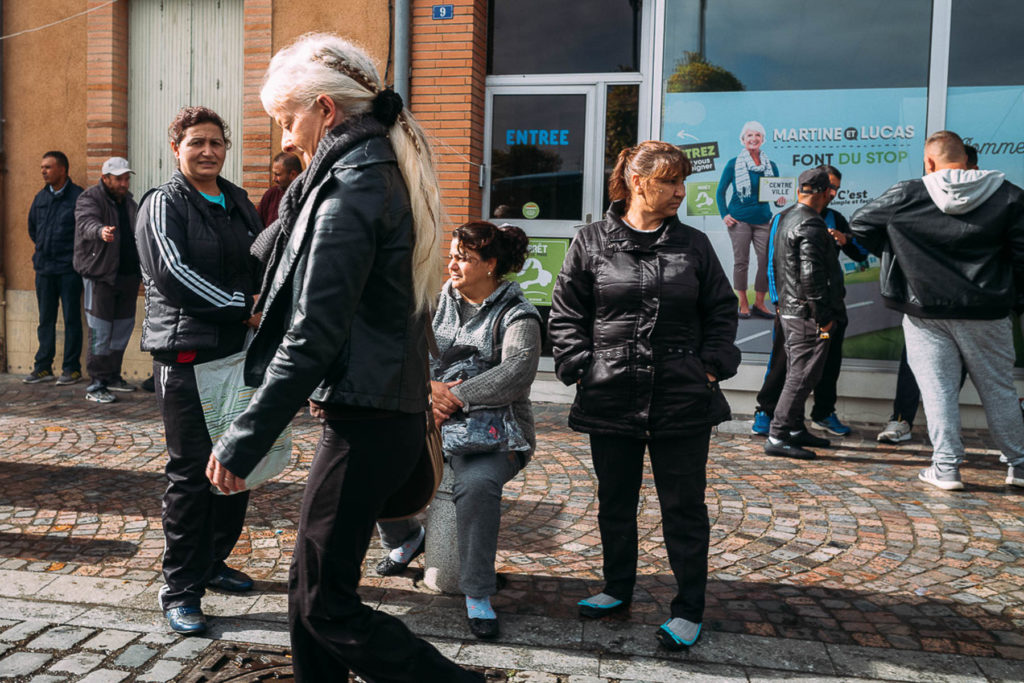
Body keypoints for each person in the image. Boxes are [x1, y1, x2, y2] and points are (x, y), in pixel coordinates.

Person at [204, 33, 483, 682]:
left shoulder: (356, 185)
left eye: (288, 121)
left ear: (326, 110)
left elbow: (313, 333)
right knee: (309, 590)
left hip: (365, 420)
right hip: (377, 411)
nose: (285, 139)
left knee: (324, 603)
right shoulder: (367, 172)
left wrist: (246, 436)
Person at [549, 140, 740, 650]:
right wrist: (583, 367)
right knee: (615, 501)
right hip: (610, 394)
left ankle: (688, 607)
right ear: (638, 182)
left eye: (683, 182)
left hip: (682, 398)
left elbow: (722, 311)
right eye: (669, 182)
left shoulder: (694, 245)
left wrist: (711, 367)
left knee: (684, 507)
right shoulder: (590, 241)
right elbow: (566, 313)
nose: (680, 192)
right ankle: (617, 587)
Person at [376, 221, 541, 641]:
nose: (452, 264)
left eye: (463, 258)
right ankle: (408, 537)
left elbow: (517, 374)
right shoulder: (433, 303)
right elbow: (398, 353)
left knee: (478, 485)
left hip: (497, 435)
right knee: (373, 462)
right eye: (451, 255)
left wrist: (458, 396)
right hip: (429, 419)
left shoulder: (518, 313)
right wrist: (429, 390)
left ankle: (478, 593)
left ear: (491, 265)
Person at [135, 106, 262, 635]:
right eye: (196, 143)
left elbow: (261, 261)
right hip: (187, 356)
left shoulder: (237, 201)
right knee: (190, 476)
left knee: (237, 469)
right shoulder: (162, 204)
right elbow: (172, 276)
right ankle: (180, 588)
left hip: (238, 355)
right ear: (176, 148)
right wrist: (243, 306)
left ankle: (212, 562)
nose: (207, 151)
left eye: (216, 142)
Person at [851, 130, 1024, 491]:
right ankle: (1020, 465)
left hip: (924, 311)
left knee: (938, 392)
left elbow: (860, 225)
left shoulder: (908, 194)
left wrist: (904, 250)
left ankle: (946, 469)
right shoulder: (1010, 195)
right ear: (966, 159)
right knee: (999, 390)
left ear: (929, 162)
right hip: (988, 311)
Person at [752, 165, 868, 437]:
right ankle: (767, 411)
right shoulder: (786, 217)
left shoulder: (835, 218)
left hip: (830, 306)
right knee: (784, 364)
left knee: (828, 364)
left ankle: (822, 414)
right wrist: (778, 300)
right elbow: (772, 262)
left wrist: (846, 239)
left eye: (837, 188)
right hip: (796, 309)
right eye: (830, 187)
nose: (832, 193)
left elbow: (860, 254)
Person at [875, 145, 980, 444]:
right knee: (912, 364)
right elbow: (868, 225)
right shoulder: (924, 198)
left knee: (960, 373)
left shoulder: (991, 201)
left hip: (968, 306)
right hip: (924, 303)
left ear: (972, 170)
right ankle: (901, 420)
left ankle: (944, 433)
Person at [763, 168, 841, 460]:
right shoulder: (811, 224)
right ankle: (779, 434)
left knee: (799, 371)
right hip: (807, 313)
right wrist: (823, 316)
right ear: (823, 193)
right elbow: (811, 274)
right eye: (830, 191)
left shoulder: (787, 218)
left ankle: (794, 429)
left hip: (791, 309)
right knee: (803, 374)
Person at [73, 157, 141, 404]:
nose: (124, 183)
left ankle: (112, 376)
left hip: (128, 277)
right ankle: (96, 383)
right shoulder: (89, 199)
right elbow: (86, 224)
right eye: (119, 178)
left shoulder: (130, 203)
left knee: (121, 330)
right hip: (100, 276)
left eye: (126, 178)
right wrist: (101, 231)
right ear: (105, 178)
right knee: (100, 331)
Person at [25, 151, 84, 385]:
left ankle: (71, 368)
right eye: (42, 167)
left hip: (69, 270)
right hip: (44, 269)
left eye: (48, 167)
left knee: (71, 319)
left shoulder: (78, 197)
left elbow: (83, 233)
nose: (43, 171)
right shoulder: (40, 198)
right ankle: (43, 367)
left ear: (62, 170)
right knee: (45, 319)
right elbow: (32, 228)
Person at [716, 120, 785, 319]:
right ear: (743, 140)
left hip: (763, 219)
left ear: (763, 139)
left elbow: (776, 195)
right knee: (741, 262)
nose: (753, 139)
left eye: (757, 135)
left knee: (765, 261)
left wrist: (780, 201)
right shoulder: (733, 164)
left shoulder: (770, 166)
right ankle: (743, 303)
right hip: (739, 220)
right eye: (749, 136)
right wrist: (724, 214)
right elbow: (720, 192)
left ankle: (759, 304)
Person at [255, 151, 301, 227]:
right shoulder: (270, 195)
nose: (274, 179)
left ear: (293, 174)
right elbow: (257, 226)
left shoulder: (307, 196)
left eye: (277, 174)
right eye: (273, 174)